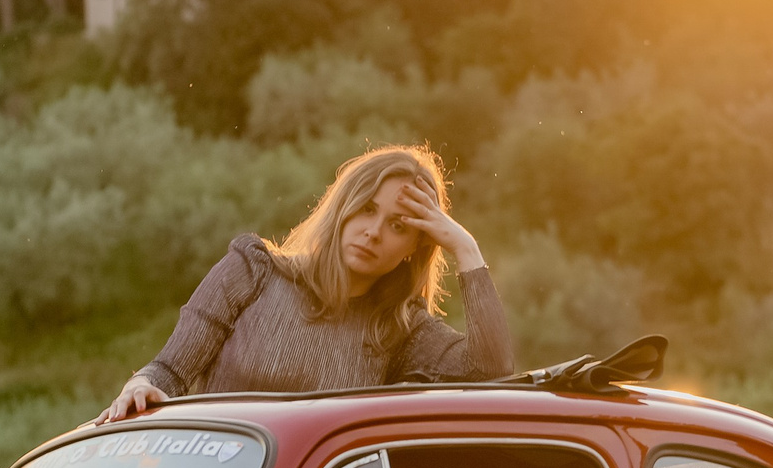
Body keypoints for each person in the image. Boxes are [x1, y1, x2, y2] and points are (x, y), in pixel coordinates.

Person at [97, 144, 512, 422]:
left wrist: (466, 248)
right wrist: (140, 384)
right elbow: (168, 372)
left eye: (398, 225)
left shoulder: (401, 330)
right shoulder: (253, 271)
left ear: (413, 247)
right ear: (344, 207)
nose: (373, 232)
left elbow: (491, 372)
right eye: (366, 209)